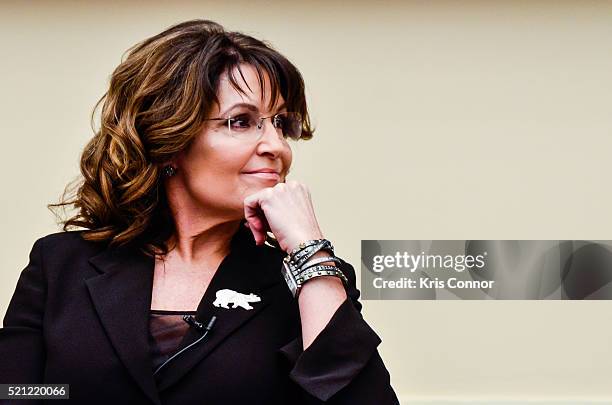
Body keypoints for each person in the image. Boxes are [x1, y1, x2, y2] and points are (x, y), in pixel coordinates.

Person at [0, 19, 399, 404]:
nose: (276, 146)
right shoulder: (60, 264)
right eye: (242, 121)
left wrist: (311, 251)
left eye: (281, 124)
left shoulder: (311, 280)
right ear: (169, 138)